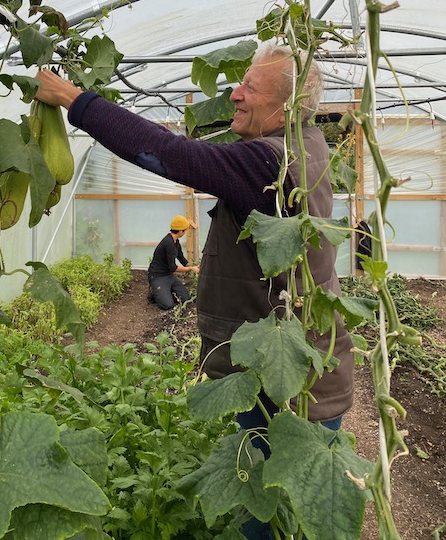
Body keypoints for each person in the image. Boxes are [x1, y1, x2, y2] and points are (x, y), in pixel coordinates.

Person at [34, 44, 354, 537]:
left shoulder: (269, 164)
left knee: (270, 512)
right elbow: (190, 152)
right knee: (282, 503)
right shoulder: (304, 145)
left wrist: (74, 99)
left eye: (251, 87)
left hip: (288, 384)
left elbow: (174, 157)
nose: (235, 92)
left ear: (285, 108)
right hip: (291, 368)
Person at [147, 215, 199, 309]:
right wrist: (190, 269)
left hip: (169, 276)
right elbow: (173, 267)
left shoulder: (175, 241)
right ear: (180, 231)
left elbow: (181, 258)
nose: (185, 232)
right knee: (167, 305)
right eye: (185, 230)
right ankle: (156, 291)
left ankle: (165, 291)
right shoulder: (168, 243)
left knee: (185, 298)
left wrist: (193, 266)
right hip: (157, 276)